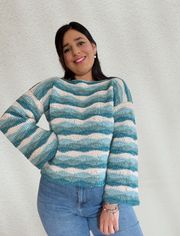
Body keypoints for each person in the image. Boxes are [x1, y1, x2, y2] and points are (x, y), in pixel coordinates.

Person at [0, 21, 143, 236]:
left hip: (104, 197)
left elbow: (125, 145)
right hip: (57, 200)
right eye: (66, 49)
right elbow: (11, 119)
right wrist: (51, 148)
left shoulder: (115, 88)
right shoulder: (52, 88)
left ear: (94, 47)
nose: (75, 51)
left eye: (80, 43)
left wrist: (111, 205)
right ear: (62, 58)